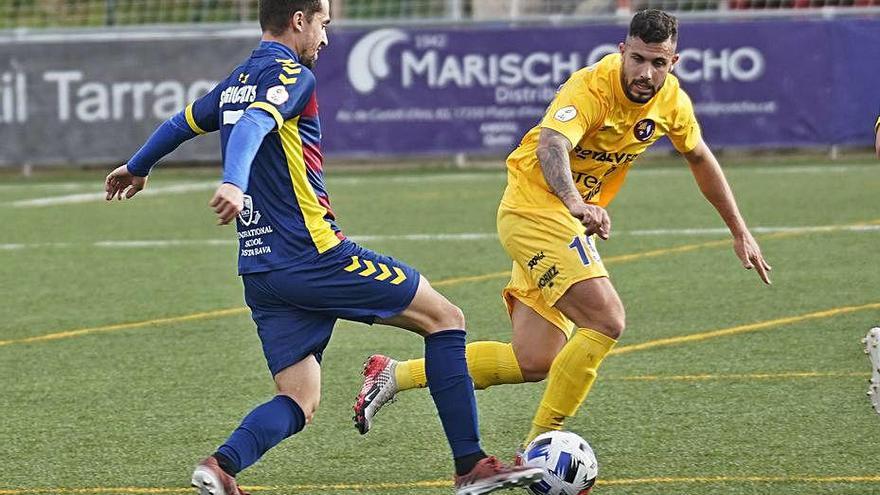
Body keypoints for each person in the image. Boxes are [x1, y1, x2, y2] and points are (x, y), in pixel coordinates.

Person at [104, 1, 542, 494]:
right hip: (312, 256)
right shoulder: (293, 75)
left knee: (299, 397)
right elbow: (252, 125)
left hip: (260, 270)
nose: (326, 39)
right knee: (445, 319)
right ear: (299, 19)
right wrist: (232, 181)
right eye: (324, 25)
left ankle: (221, 466)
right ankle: (471, 466)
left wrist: (138, 164)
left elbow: (183, 122)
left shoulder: (237, 79)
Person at [353, 9, 772, 455]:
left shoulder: (672, 103)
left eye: (658, 63)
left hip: (562, 221)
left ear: (674, 62)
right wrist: (576, 203)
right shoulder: (591, 86)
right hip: (535, 209)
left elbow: (700, 157)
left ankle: (393, 374)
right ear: (622, 51)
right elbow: (553, 143)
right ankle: (536, 451)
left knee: (534, 359)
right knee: (607, 320)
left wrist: (739, 230)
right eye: (638, 59)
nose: (646, 73)